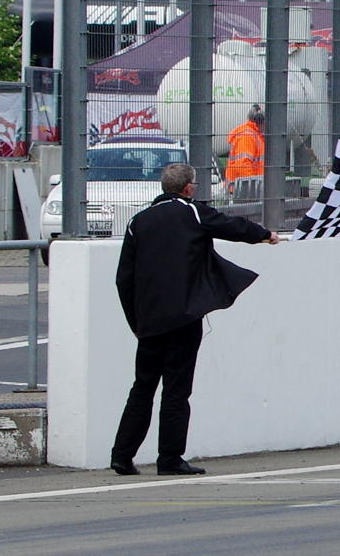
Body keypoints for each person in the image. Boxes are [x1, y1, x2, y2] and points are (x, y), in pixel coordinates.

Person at [111, 161, 279, 477]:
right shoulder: (192, 212)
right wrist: (264, 235)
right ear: (188, 188)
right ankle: (169, 458)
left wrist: (137, 322)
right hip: (184, 317)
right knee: (176, 389)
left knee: (143, 387)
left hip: (149, 321)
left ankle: (122, 455)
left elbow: (124, 279)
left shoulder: (138, 221)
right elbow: (231, 226)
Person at [224, 105, 266, 187]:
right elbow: (243, 166)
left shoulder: (256, 135)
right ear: (260, 120)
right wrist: (254, 187)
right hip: (241, 191)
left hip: (244, 190)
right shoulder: (247, 137)